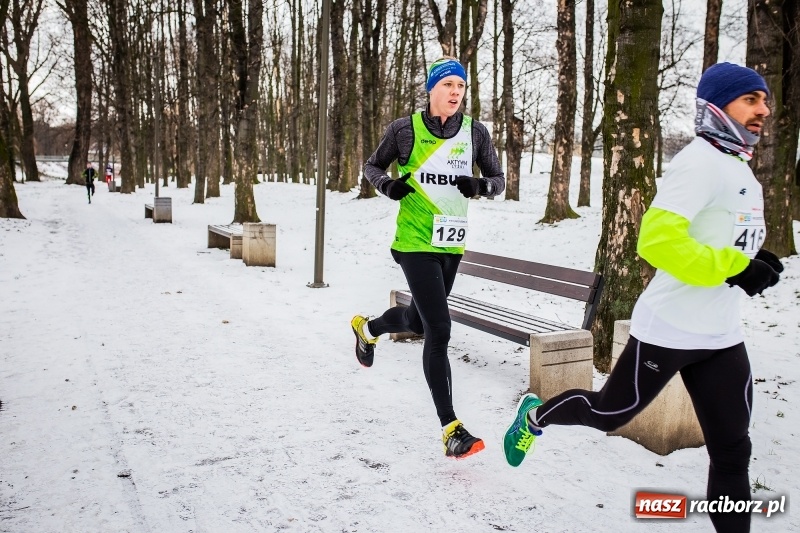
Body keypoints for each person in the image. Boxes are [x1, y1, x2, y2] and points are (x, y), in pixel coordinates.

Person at [502, 62, 782, 533]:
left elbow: (716, 238)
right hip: (669, 329)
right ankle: (536, 416)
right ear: (717, 107)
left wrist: (757, 260)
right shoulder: (699, 162)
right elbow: (657, 242)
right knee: (611, 412)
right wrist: (737, 267)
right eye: (750, 100)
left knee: (733, 451)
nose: (763, 110)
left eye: (764, 100)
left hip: (721, 335)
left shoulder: (741, 170)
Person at [351, 57, 505, 459]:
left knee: (418, 321)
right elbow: (371, 165)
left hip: (450, 244)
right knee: (439, 329)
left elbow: (499, 181)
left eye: (461, 86)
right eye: (449, 84)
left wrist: (481, 185)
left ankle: (368, 329)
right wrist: (387, 185)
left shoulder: (475, 132)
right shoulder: (404, 130)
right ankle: (451, 428)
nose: (456, 92)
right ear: (431, 89)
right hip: (414, 242)